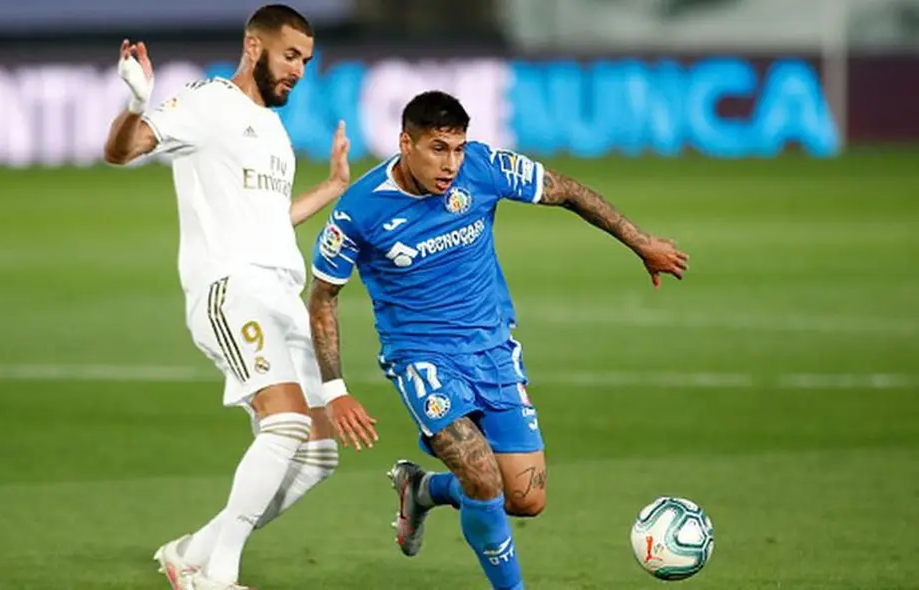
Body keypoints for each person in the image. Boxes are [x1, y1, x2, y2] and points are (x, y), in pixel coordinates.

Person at [307, 90, 689, 589]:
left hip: (493, 351)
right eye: (439, 148)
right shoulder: (360, 209)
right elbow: (323, 297)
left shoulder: (482, 169)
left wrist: (642, 243)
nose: (451, 164)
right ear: (406, 143)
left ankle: (422, 490)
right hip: (422, 359)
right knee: (482, 476)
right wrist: (335, 391)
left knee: (525, 500)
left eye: (459, 148)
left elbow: (566, 189)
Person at [102, 5, 377, 590]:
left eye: (306, 59)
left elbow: (272, 220)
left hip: (281, 294)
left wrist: (331, 188)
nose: (300, 70)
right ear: (255, 47)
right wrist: (134, 104)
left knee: (318, 456)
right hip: (229, 289)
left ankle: (192, 551)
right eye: (291, 55)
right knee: (283, 427)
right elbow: (122, 152)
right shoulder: (205, 102)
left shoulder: (273, 130)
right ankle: (218, 577)